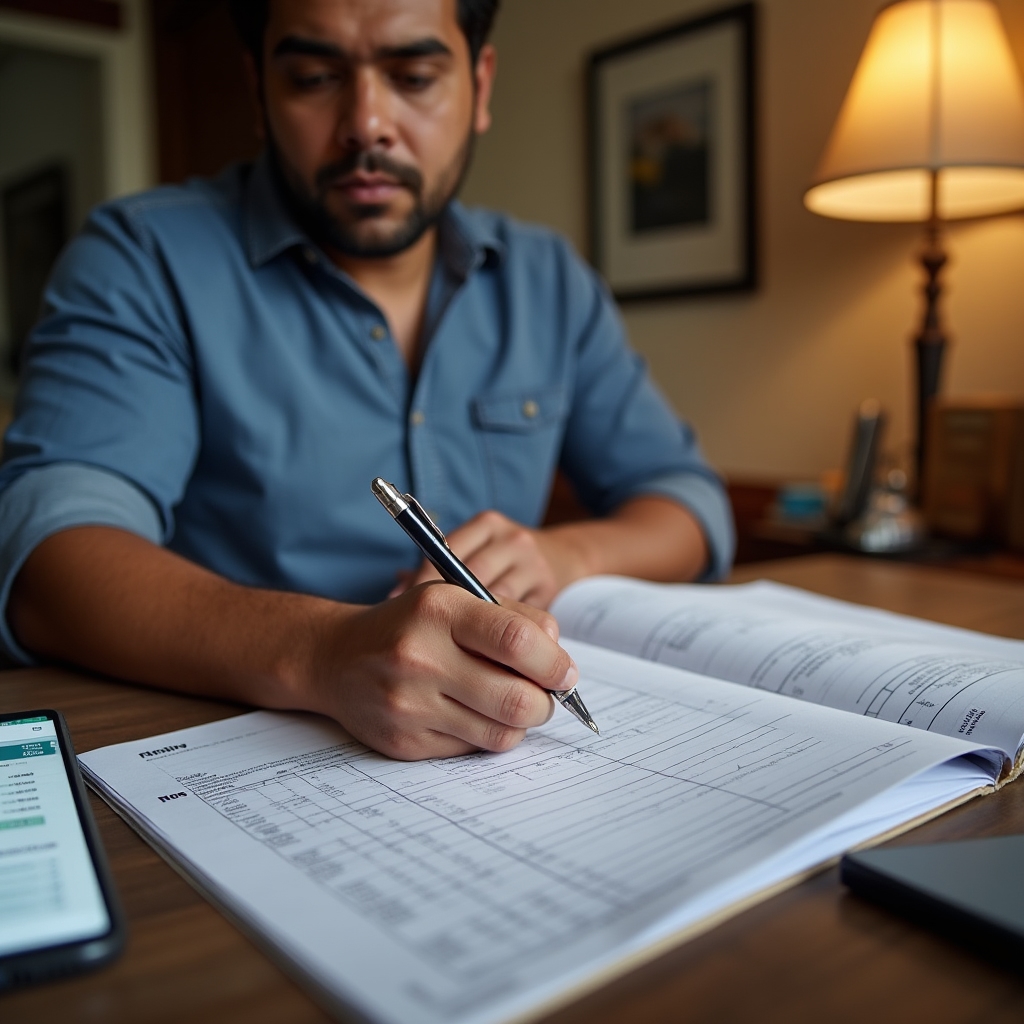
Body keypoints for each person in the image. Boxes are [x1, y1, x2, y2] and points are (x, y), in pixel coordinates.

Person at [0, 0, 733, 760]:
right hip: (233, 756)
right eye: (315, 76)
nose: (367, 124)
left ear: (480, 86)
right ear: (258, 91)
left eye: (414, 76)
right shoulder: (141, 259)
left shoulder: (548, 280)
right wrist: (320, 651)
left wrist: (569, 555)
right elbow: (47, 556)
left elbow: (689, 502)